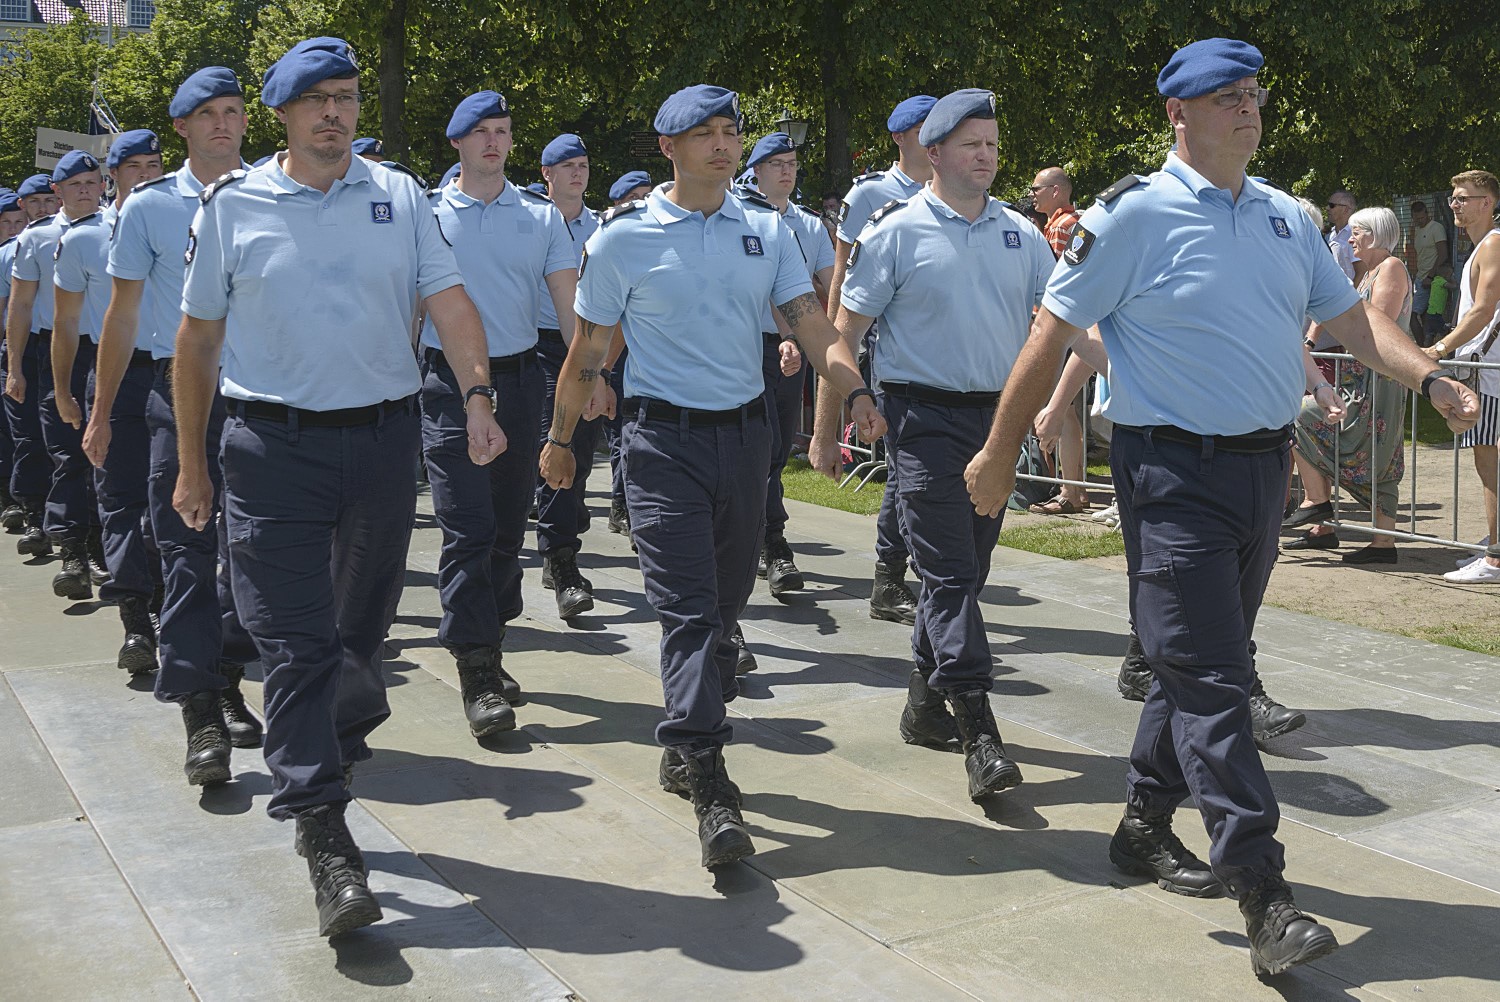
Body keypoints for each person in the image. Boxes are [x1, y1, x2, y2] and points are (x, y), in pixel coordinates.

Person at [962, 38, 1477, 976]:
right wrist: (1001, 450)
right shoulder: (1129, 217)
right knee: (1213, 682)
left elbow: (1354, 323)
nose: (1250, 109)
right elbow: (1055, 327)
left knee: (1191, 671)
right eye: (1227, 98)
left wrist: (1430, 375)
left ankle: (1141, 826)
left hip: (1260, 476)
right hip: (1170, 481)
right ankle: (1264, 895)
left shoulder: (1283, 216)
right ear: (1179, 115)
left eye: (1254, 95)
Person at [175, 39, 504, 937]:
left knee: (358, 639)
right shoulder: (234, 206)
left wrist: (477, 394)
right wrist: (195, 463)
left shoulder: (397, 197)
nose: (335, 113)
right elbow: (198, 342)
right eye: (316, 100)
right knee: (298, 646)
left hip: (381, 446)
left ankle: (330, 749)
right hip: (268, 452)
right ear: (281, 113)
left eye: (348, 98)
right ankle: (323, 830)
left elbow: (450, 302)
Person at [539, 84, 882, 870]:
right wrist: (561, 442)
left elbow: (811, 323)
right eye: (706, 134)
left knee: (723, 616)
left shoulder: (766, 231)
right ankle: (710, 774)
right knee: (690, 616)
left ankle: (687, 737)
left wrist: (853, 386)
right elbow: (589, 351)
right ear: (669, 149)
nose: (724, 145)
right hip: (662, 446)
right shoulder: (626, 238)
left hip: (745, 441)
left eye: (731, 132)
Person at [818, 89, 1054, 801]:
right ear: (935, 154)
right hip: (922, 422)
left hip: (997, 423)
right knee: (948, 577)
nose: (985, 155)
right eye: (970, 144)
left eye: (991, 143)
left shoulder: (1023, 233)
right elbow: (842, 334)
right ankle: (978, 728)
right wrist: (830, 425)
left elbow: (1064, 324)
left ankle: (924, 704)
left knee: (970, 574)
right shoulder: (895, 231)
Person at [90, 68, 262, 766]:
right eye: (208, 114)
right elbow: (122, 315)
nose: (224, 124)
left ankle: (228, 675)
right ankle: (202, 709)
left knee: (248, 559)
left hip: (262, 402)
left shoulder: (274, 196)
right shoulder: (149, 208)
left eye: (234, 111)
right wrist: (102, 411)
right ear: (183, 129)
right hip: (180, 400)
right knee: (188, 555)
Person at [422, 98, 579, 739]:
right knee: (467, 524)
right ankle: (477, 668)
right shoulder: (429, 216)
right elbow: (411, 309)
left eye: (503, 132)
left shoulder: (540, 217)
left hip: (520, 380)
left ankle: (491, 637)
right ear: (457, 143)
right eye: (481, 133)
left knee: (508, 527)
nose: (493, 143)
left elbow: (571, 307)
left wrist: (588, 377)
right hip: (447, 384)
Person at [813, 94, 937, 627]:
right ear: (901, 137)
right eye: (928, 131)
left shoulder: (955, 189)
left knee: (916, 478)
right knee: (907, 474)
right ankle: (891, 577)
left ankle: (906, 576)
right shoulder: (871, 194)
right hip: (891, 353)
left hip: (943, 356)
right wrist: (843, 348)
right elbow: (841, 276)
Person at [52, 130, 165, 669]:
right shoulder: (84, 239)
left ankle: (173, 604)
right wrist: (63, 392)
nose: (145, 174)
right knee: (119, 499)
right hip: (117, 378)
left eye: (154, 164)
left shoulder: (187, 220)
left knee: (171, 503)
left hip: (177, 375)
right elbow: (68, 323)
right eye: (133, 166)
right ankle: (137, 622)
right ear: (111, 177)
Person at [1285, 207, 1412, 563]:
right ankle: (1327, 518)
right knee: (1309, 420)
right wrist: (1311, 340)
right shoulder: (1371, 271)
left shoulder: (1390, 268)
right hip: (1364, 374)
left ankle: (1354, 526)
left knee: (1377, 450)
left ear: (1373, 234)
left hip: (1379, 378)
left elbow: (1377, 328)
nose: (1350, 239)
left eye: (1356, 233)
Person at [6, 152, 106, 600]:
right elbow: (22, 306)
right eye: (75, 184)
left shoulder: (119, 229)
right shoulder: (39, 239)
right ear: (58, 193)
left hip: (109, 351)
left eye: (92, 182)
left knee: (110, 456)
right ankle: (74, 553)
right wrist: (15, 368)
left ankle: (108, 547)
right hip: (57, 354)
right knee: (66, 453)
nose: (85, 190)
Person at [743, 132, 835, 599]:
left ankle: (763, 537)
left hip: (790, 348)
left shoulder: (810, 226)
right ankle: (770, 543)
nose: (786, 171)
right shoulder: (738, 217)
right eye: (775, 163)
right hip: (743, 345)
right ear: (755, 171)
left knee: (776, 449)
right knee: (754, 448)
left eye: (792, 163)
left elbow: (831, 287)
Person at [528, 130, 601, 622]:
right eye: (567, 165)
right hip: (542, 348)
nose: (578, 173)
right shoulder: (531, 222)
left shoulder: (602, 227)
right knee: (559, 444)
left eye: (584, 164)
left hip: (592, 349)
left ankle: (563, 521)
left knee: (585, 449)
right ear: (547, 175)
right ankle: (562, 560)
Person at [1428, 170, 1500, 583]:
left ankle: (1495, 557)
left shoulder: (1492, 245)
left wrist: (1438, 349)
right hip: (1482, 369)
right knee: (1486, 458)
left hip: (1487, 371)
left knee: (1488, 459)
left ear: (1486, 202)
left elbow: (1483, 310)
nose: (1455, 204)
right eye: (1453, 197)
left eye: (1462, 198)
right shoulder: (1481, 248)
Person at [2, 176, 60, 556]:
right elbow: (10, 307)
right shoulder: (13, 250)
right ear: (22, 206)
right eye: (33, 202)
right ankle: (33, 512)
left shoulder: (72, 237)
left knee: (65, 440)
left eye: (46, 200)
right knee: (28, 438)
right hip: (28, 347)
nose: (42, 208)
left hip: (70, 347)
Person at [1028, 166, 1089, 516]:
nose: (1032, 194)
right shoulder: (1066, 224)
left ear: (1055, 191)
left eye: (1036, 188)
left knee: (1063, 411)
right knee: (1067, 413)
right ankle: (1074, 489)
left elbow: (1061, 286)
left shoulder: (1062, 228)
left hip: (1063, 329)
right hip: (1073, 328)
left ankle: (1070, 491)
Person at [599, 169, 651, 542]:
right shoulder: (610, 237)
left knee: (637, 435)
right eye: (634, 198)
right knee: (621, 435)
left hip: (646, 353)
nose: (643, 204)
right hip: (613, 355)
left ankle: (629, 505)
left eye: (647, 196)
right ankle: (623, 504)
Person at [0, 192, 34, 534]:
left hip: (29, 347)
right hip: (12, 349)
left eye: (16, 223)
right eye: (5, 223)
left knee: (23, 433)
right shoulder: (4, 256)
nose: (12, 229)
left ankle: (20, 501)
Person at [1408, 200, 1449, 343]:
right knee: (1426, 317)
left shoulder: (1436, 228)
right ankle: (1429, 346)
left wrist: (1430, 276)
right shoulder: (1417, 230)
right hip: (1420, 278)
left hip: (1431, 279)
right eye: (1416, 218)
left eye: (1422, 217)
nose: (1419, 220)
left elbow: (1443, 254)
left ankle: (1421, 349)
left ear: (1427, 213)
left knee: (1412, 316)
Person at [1326, 190, 1357, 281]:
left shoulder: (1355, 235)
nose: (1327, 208)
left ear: (1346, 209)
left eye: (1332, 205)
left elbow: (1361, 271)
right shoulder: (1330, 235)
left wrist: (1352, 295)